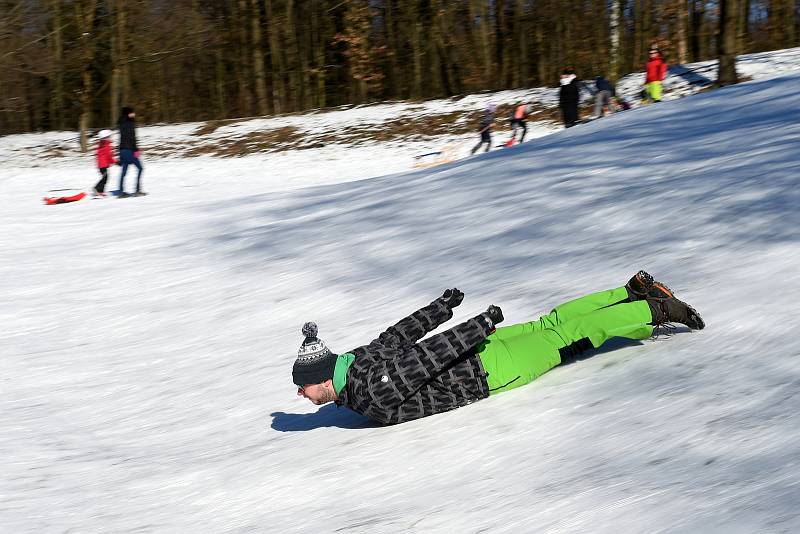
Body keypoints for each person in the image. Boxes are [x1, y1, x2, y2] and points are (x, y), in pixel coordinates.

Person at [292, 270, 705, 425]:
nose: (301, 394)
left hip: (487, 368)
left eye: (304, 386)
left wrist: (464, 320)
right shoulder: (356, 364)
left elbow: (420, 357)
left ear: (323, 379)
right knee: (551, 324)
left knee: (565, 338)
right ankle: (630, 292)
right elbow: (398, 340)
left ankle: (654, 310)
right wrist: (449, 312)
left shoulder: (368, 394)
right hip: (482, 349)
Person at [117, 106, 145, 198]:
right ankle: (137, 190)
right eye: (132, 112)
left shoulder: (121, 123)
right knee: (140, 168)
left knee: (124, 171)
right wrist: (136, 149)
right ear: (128, 113)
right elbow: (132, 137)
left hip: (122, 150)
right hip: (129, 150)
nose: (134, 114)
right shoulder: (130, 123)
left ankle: (121, 192)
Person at [93, 129, 117, 197]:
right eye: (109, 136)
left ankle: (100, 191)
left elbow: (105, 156)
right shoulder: (107, 146)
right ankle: (97, 188)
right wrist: (115, 162)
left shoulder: (101, 144)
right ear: (106, 138)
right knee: (105, 177)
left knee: (105, 177)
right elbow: (109, 156)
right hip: (103, 165)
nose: (110, 138)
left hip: (102, 165)